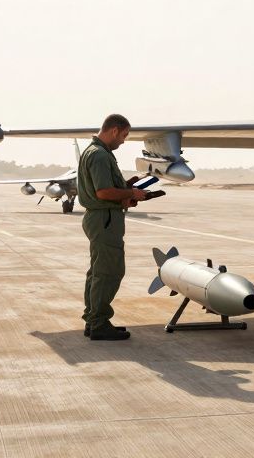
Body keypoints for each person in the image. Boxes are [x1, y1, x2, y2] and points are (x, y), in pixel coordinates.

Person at [79, 114, 151, 340]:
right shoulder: (100, 155)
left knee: (98, 271)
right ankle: (99, 324)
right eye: (124, 135)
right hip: (105, 219)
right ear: (114, 131)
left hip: (101, 217)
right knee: (109, 271)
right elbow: (103, 192)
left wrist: (126, 187)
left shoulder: (94, 151)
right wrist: (132, 193)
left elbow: (105, 189)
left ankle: (93, 320)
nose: (123, 141)